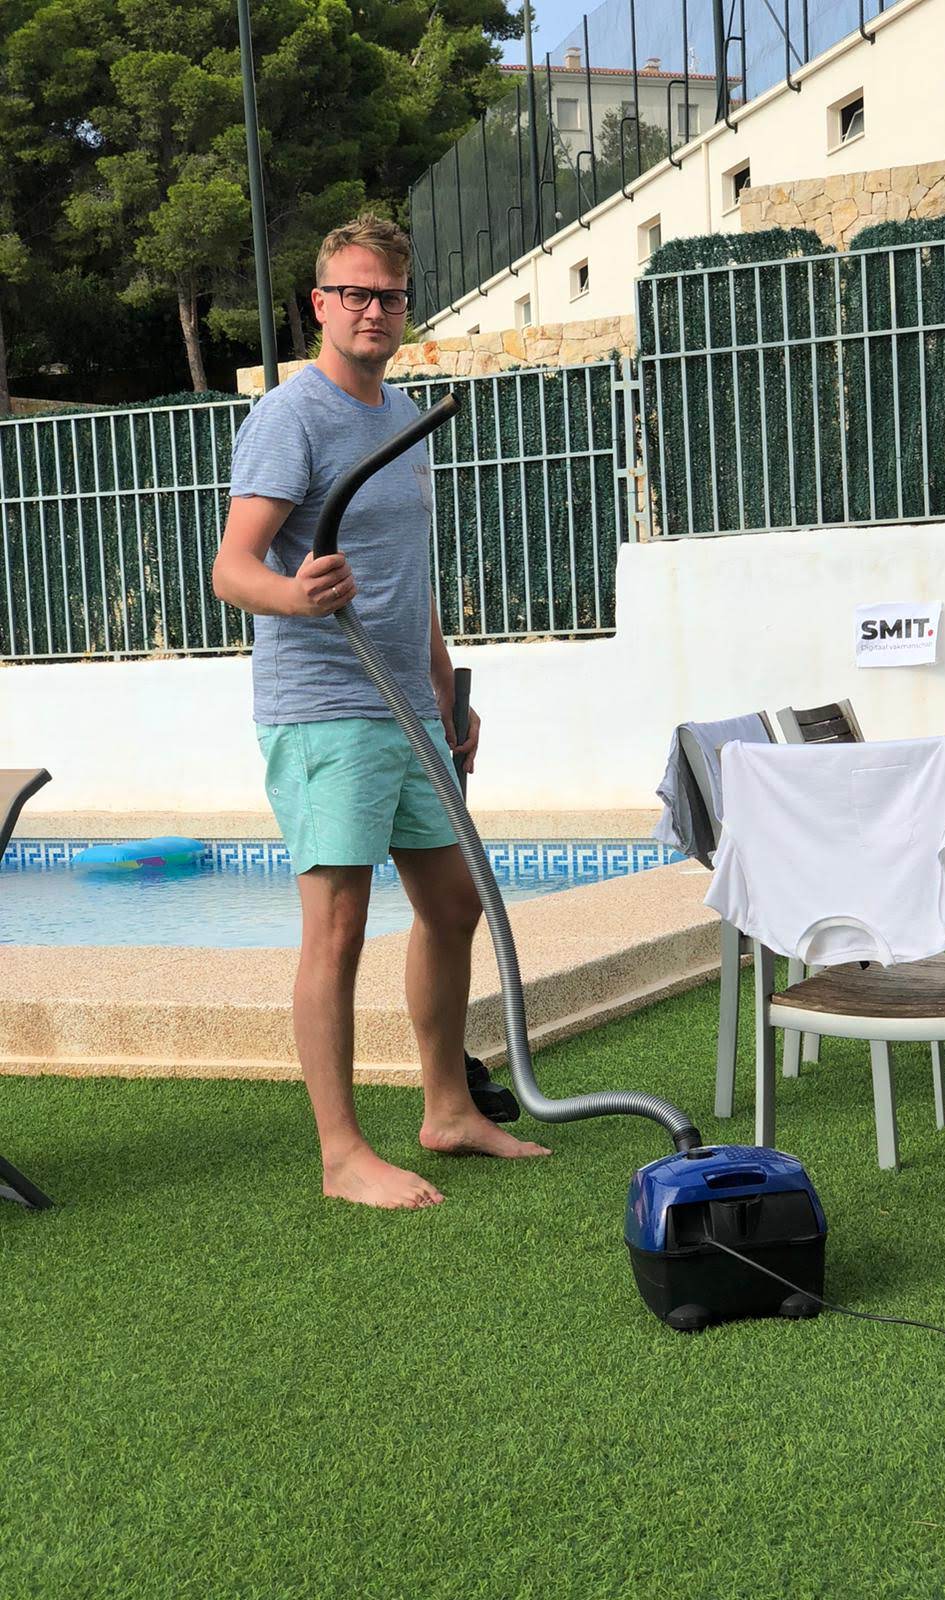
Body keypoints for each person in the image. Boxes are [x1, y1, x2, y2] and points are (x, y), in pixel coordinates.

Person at [212, 213, 550, 1209]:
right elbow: (235, 568)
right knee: (339, 927)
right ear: (319, 304)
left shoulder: (402, 417)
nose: (372, 309)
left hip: (407, 706)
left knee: (453, 905)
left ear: (407, 305)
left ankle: (447, 1108)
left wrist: (444, 690)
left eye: (389, 295)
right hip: (324, 706)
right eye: (354, 293)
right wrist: (293, 594)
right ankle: (340, 1154)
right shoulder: (294, 416)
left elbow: (413, 577)